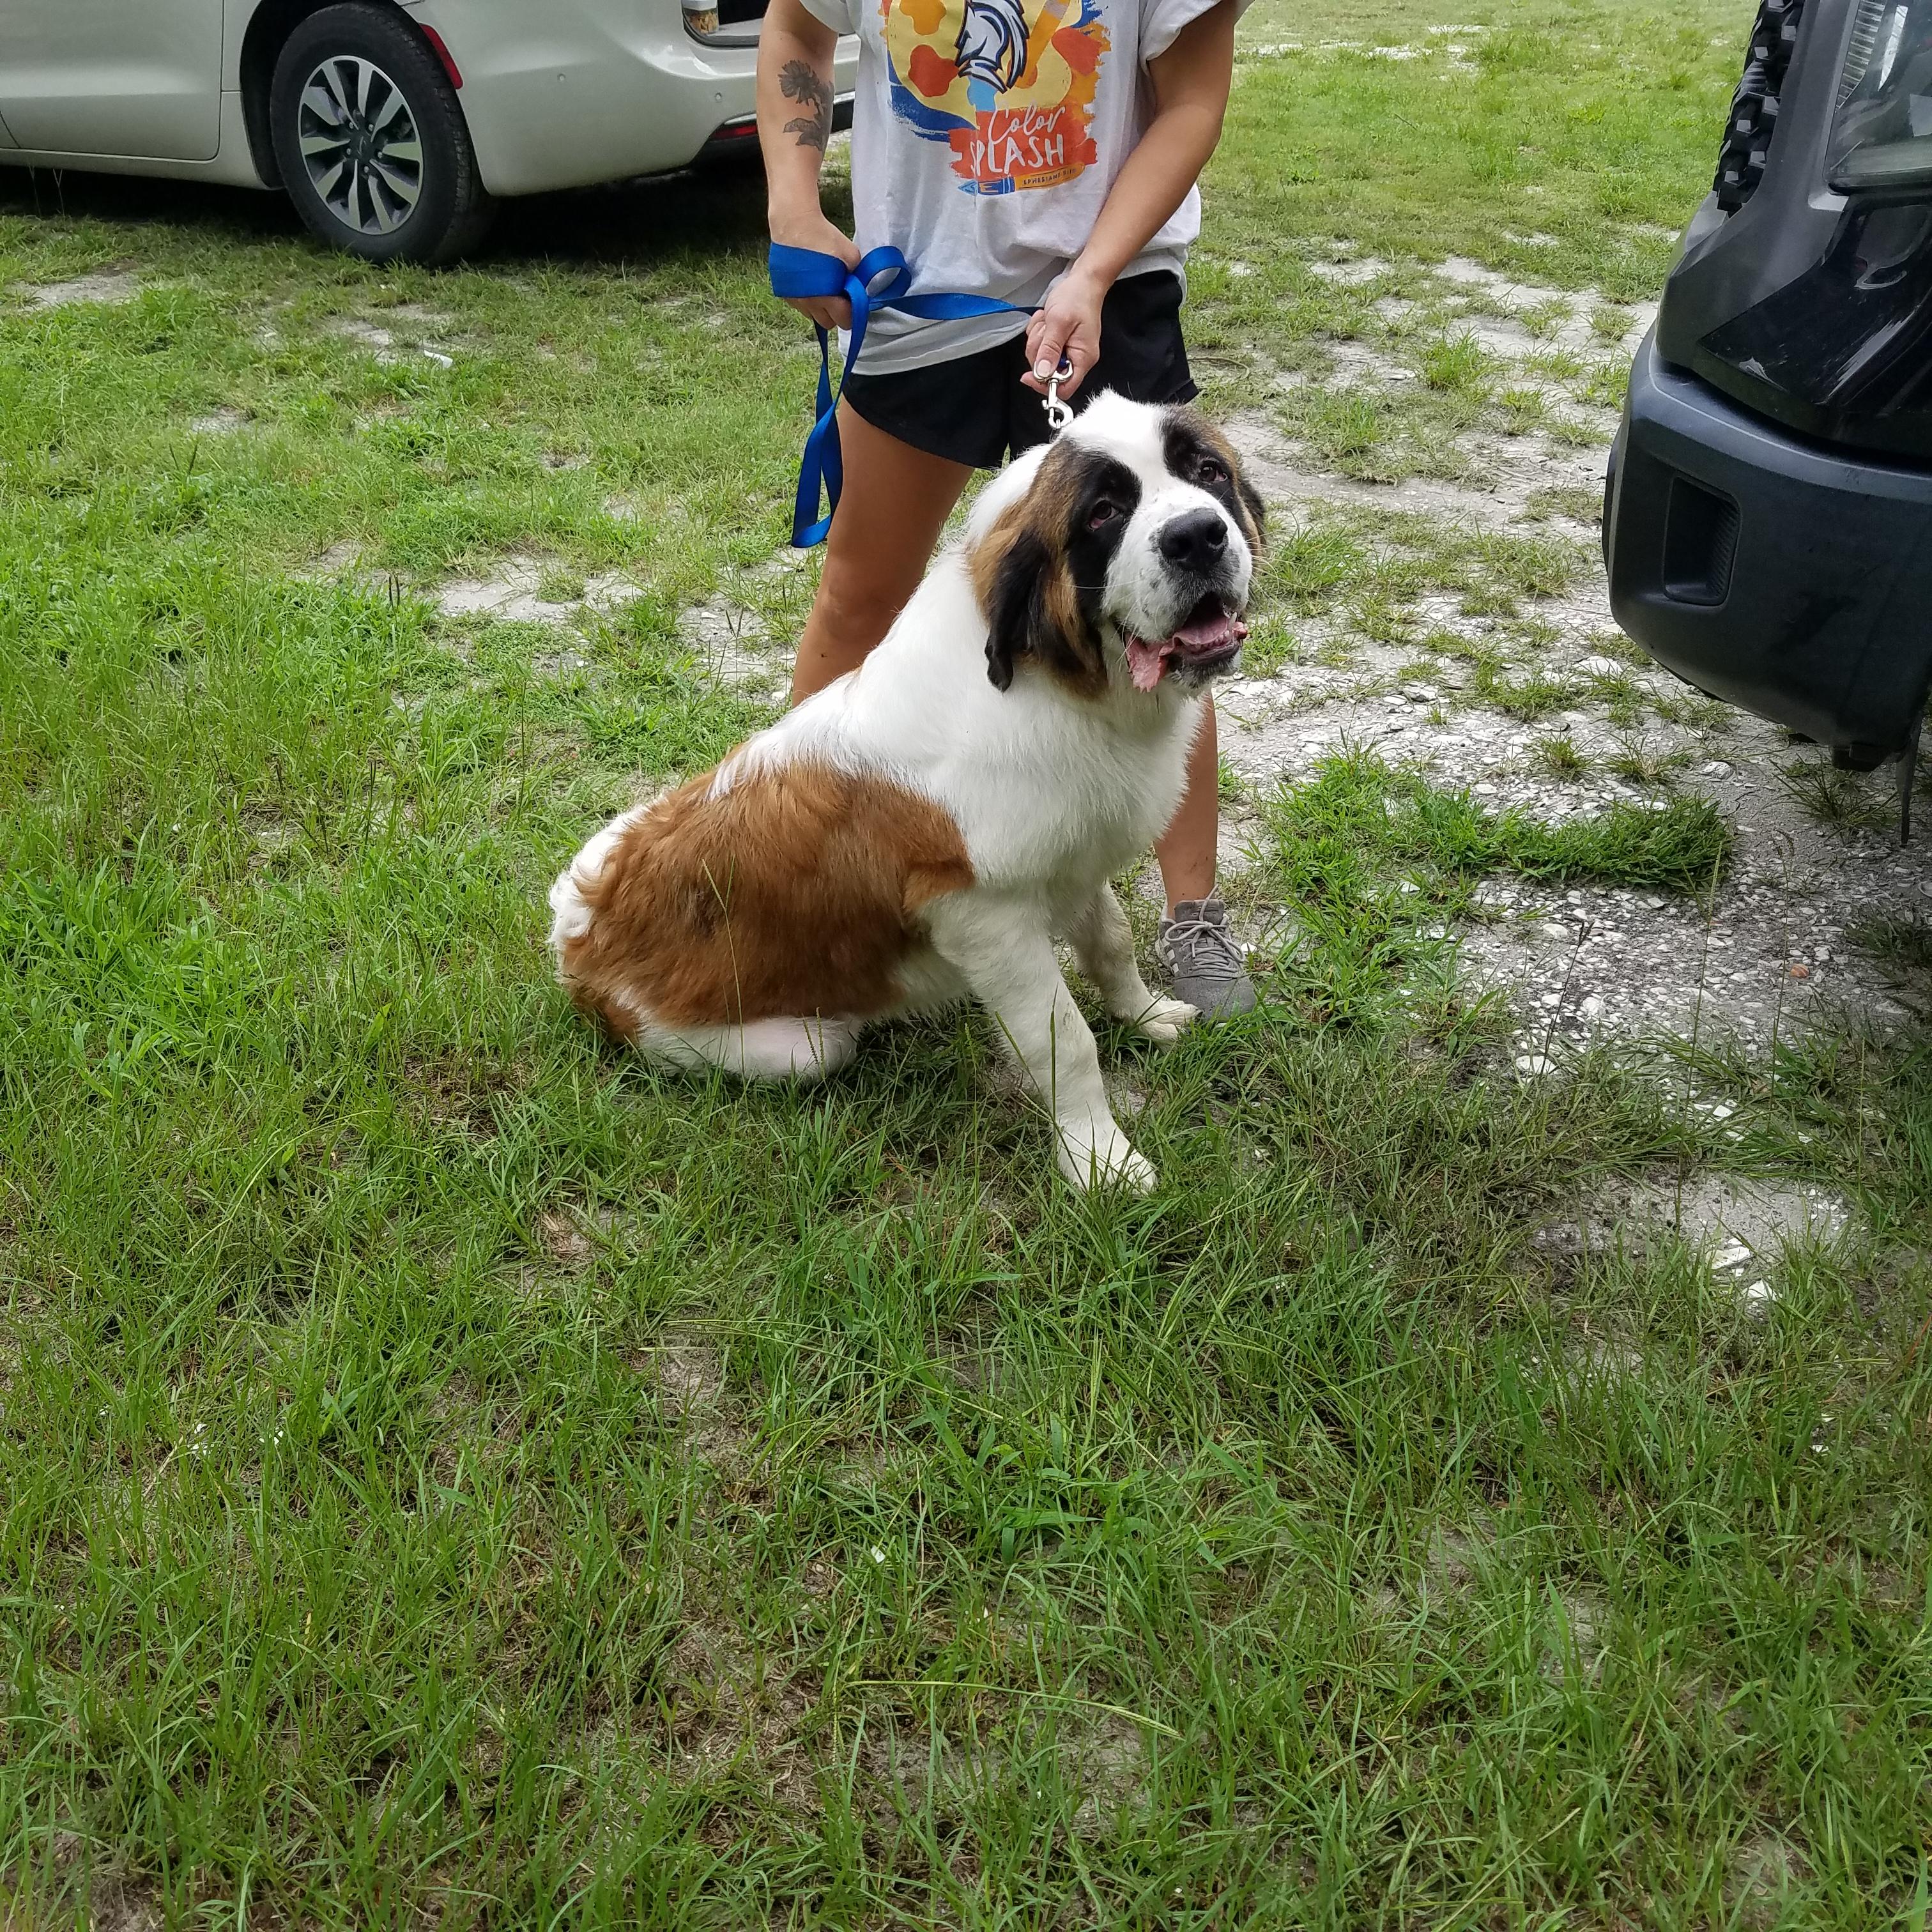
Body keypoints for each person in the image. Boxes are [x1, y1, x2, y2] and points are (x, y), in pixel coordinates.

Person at [755, 0, 1255, 1020]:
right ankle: (795, 880)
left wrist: (1095, 270)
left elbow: (1193, 97)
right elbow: (797, 30)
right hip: (920, 294)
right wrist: (791, 205)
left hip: (1110, 290)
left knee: (1176, 616)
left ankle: (1193, 915)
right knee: (860, 592)